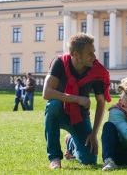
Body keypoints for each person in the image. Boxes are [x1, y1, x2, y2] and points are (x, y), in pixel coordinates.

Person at [43, 33, 111, 169]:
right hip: (60, 113)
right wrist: (77, 99)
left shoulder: (96, 71)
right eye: (90, 53)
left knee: (89, 160)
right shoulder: (60, 63)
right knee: (53, 105)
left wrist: (93, 133)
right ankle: (55, 157)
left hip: (80, 117)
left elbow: (101, 102)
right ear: (75, 54)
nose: (94, 57)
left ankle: (71, 143)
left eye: (94, 52)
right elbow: (47, 92)